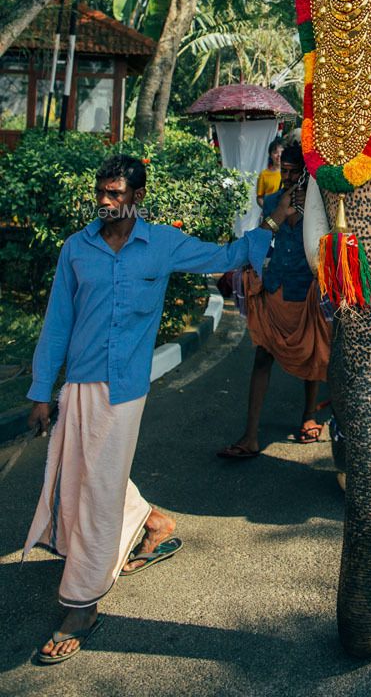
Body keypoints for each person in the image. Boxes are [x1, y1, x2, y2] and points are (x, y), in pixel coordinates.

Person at [24, 154, 272, 664]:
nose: (105, 201)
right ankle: (153, 522)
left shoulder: (160, 244)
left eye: (116, 194)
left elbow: (225, 254)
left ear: (137, 197)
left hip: (125, 391)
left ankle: (82, 603)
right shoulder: (77, 249)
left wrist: (273, 226)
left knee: (95, 490)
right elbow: (57, 323)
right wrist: (41, 391)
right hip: (79, 386)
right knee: (83, 475)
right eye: (102, 191)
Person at [217, 142, 332, 457]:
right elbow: (260, 239)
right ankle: (250, 436)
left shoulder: (321, 202)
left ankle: (309, 416)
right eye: (286, 171)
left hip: (307, 290)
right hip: (275, 288)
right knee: (262, 358)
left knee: (314, 356)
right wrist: (281, 211)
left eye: (296, 172)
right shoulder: (271, 202)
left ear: (308, 174)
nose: (290, 177)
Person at [256, 137, 283, 208]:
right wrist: (267, 209)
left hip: (285, 215)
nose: (279, 155)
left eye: (282, 152)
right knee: (269, 220)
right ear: (270, 155)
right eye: (275, 152)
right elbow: (259, 197)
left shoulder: (290, 174)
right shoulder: (263, 174)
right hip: (270, 214)